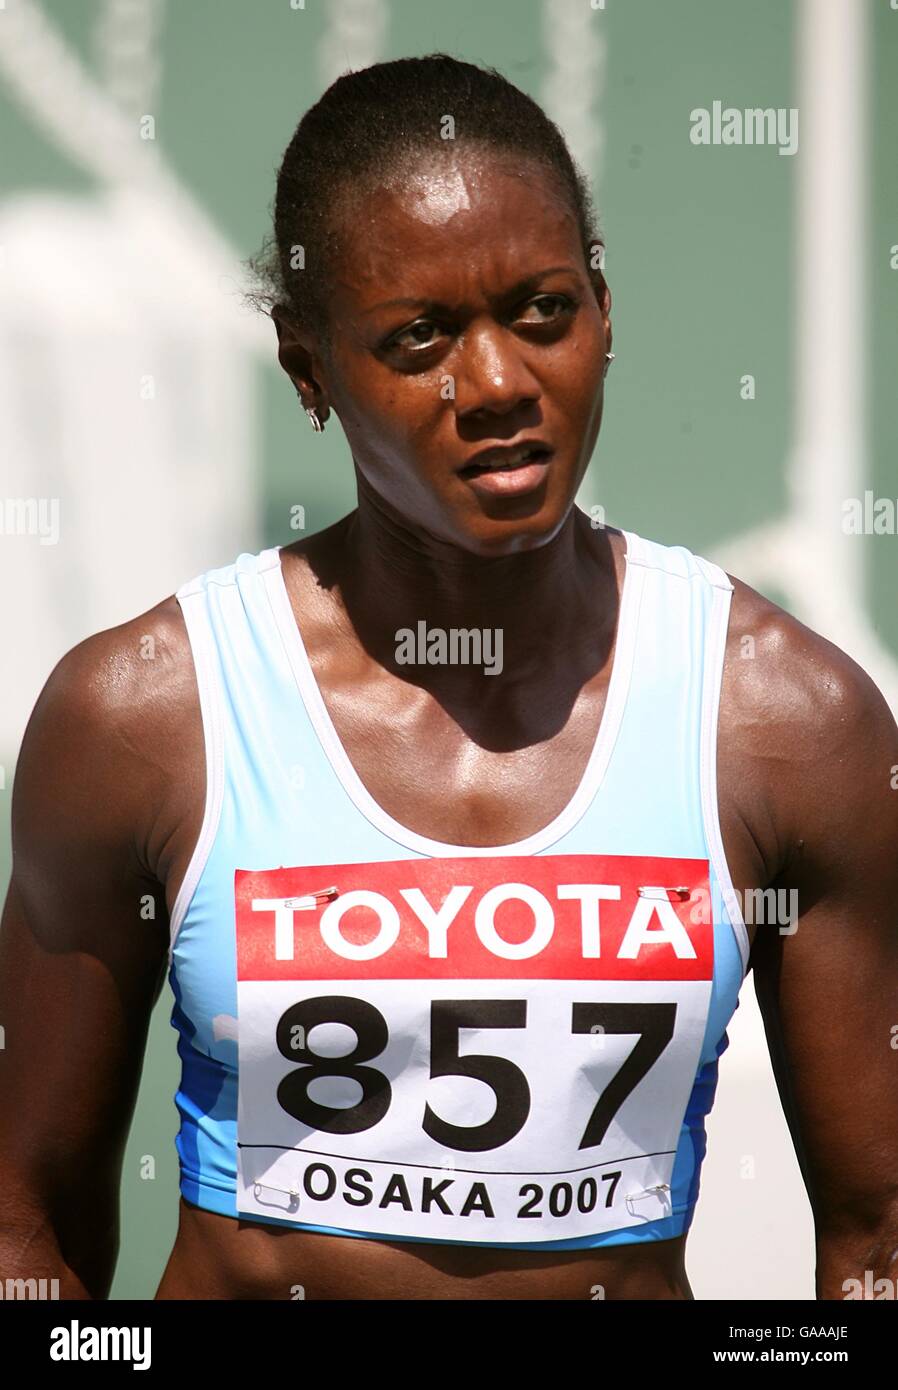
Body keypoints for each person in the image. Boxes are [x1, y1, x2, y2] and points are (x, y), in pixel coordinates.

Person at [1, 54, 897, 1304]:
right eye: (419, 338)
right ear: (306, 368)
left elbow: (876, 1247)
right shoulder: (145, 718)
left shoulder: (788, 724)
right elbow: (23, 1232)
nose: (495, 386)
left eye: (542, 311)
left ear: (602, 307)